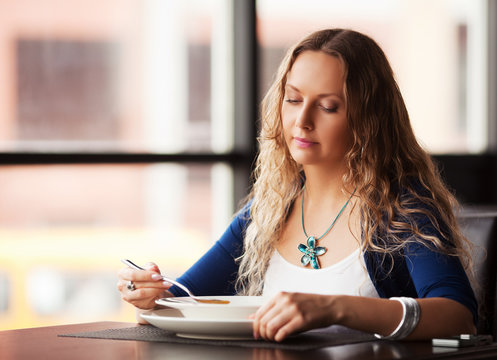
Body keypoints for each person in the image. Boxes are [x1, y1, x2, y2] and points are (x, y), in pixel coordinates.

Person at [117, 28, 477, 342]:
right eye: (293, 99)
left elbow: (459, 317)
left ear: (369, 120)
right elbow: (183, 300)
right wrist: (150, 295)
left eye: (329, 107)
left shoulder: (403, 208)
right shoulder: (269, 209)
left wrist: (335, 308)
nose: (302, 121)